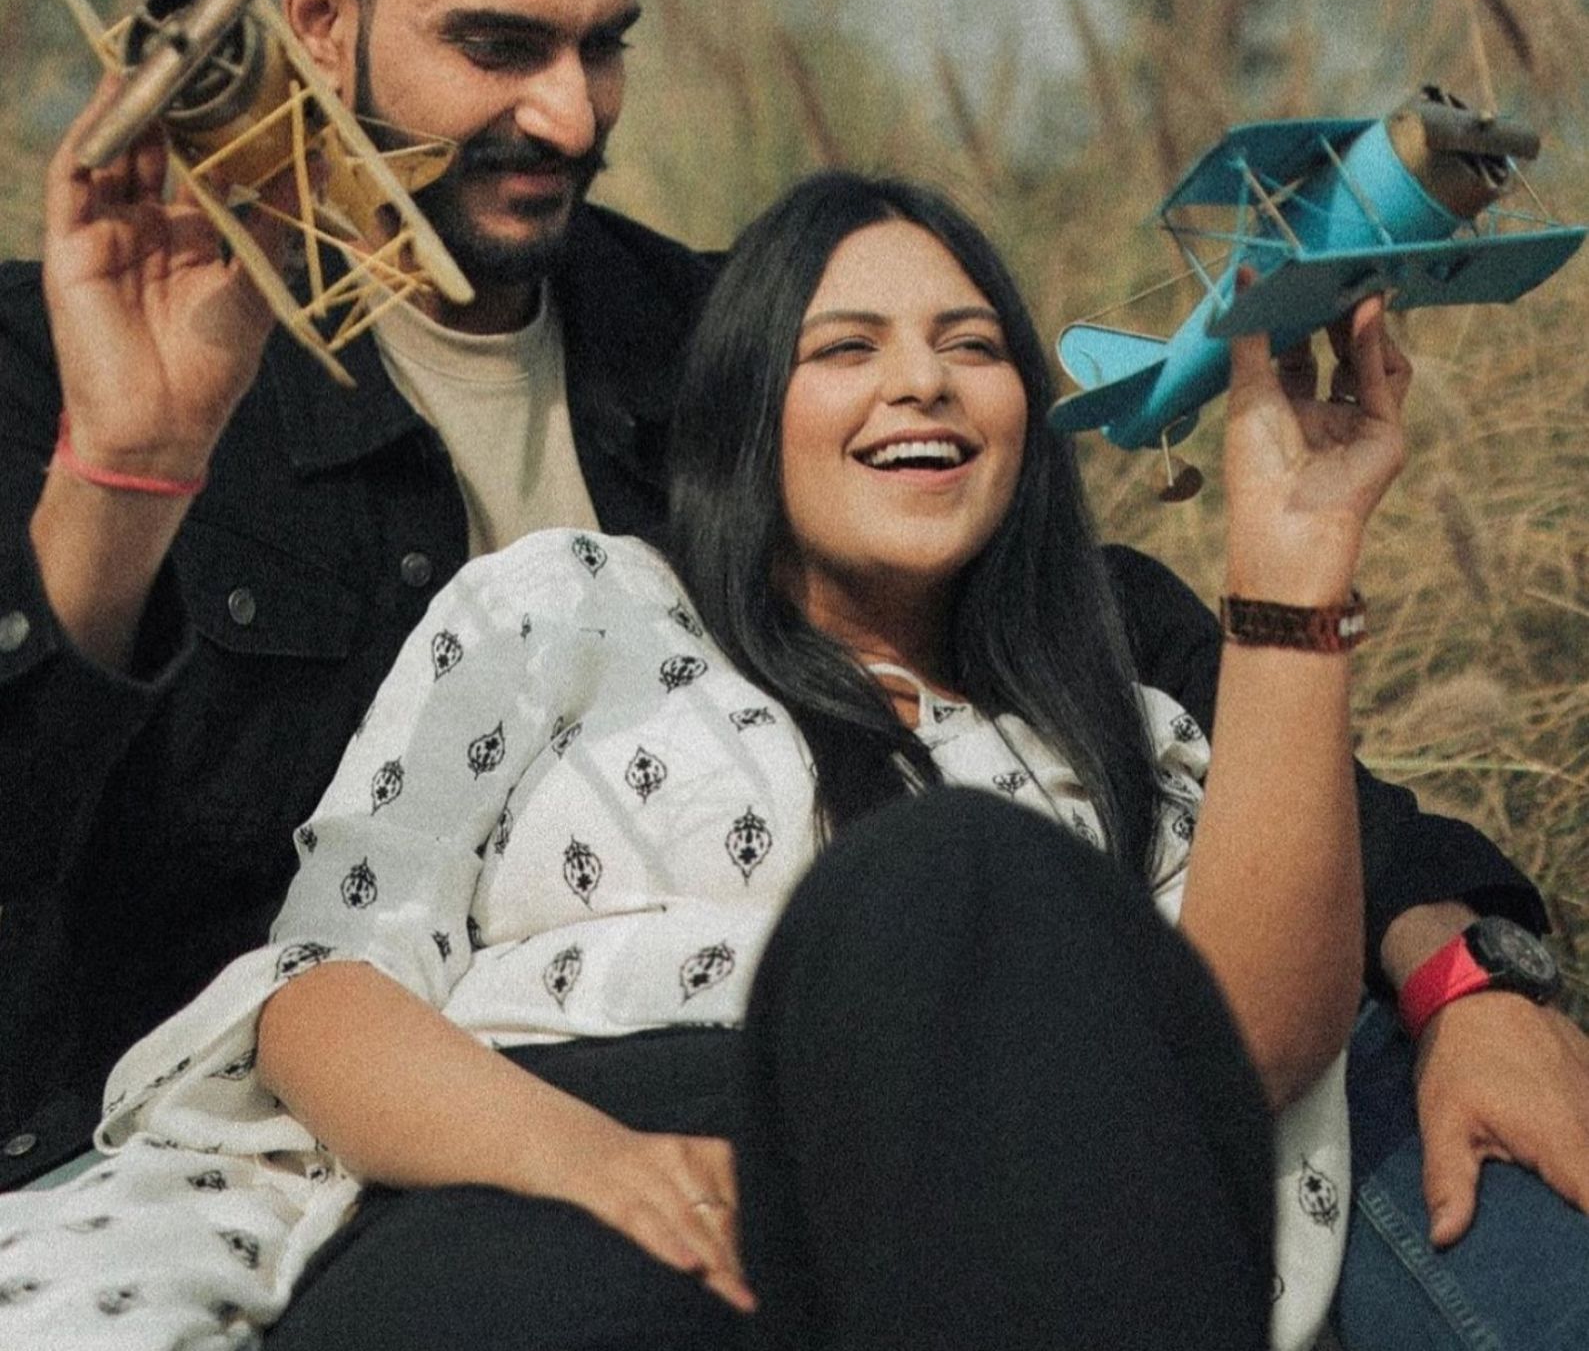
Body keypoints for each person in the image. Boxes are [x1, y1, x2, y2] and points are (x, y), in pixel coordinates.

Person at [0, 0, 1584, 1346]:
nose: (567, 116)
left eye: (604, 46)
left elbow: (1116, 659)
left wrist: (1458, 966)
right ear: (318, 21)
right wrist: (127, 469)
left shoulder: (727, 346)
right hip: (338, 1146)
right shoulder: (77, 352)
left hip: (901, 1097)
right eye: (499, 47)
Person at [0, 170, 1413, 1349]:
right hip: (544, 1173)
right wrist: (590, 1162)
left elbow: (1232, 1051)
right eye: (845, 348)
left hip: (960, 1225)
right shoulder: (568, 607)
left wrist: (1294, 562)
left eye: (973, 345)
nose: (920, 381)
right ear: (742, 407)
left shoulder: (1119, 731)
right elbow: (323, 995)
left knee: (965, 866)